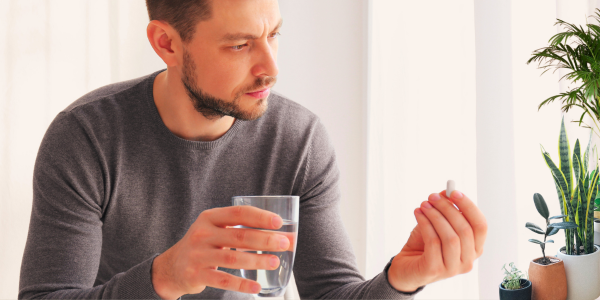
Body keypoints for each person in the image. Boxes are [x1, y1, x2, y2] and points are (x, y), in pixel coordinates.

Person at [18, 0, 488, 299]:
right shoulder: (86, 138)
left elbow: (331, 294)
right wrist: (166, 274)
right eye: (240, 45)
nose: (270, 68)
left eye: (274, 35)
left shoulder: (299, 140)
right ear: (167, 44)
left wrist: (401, 279)